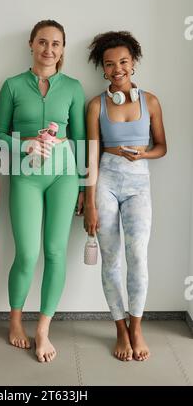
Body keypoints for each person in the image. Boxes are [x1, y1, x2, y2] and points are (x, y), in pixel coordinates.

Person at [0, 20, 86, 362]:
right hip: (25, 177)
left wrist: (82, 187)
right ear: (31, 44)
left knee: (55, 252)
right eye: (43, 42)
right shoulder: (13, 85)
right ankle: (15, 322)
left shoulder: (73, 87)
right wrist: (25, 143)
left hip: (63, 176)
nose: (49, 49)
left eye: (56, 44)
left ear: (63, 48)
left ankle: (44, 329)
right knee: (28, 253)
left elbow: (79, 140)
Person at [85, 31, 167, 361]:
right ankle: (119, 328)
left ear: (133, 63)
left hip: (139, 184)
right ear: (102, 70)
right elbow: (90, 155)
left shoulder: (151, 101)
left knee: (138, 258)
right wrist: (89, 202)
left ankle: (137, 327)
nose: (117, 68)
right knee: (111, 259)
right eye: (110, 64)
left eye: (123, 62)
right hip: (105, 179)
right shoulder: (95, 105)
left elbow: (162, 146)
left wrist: (142, 155)